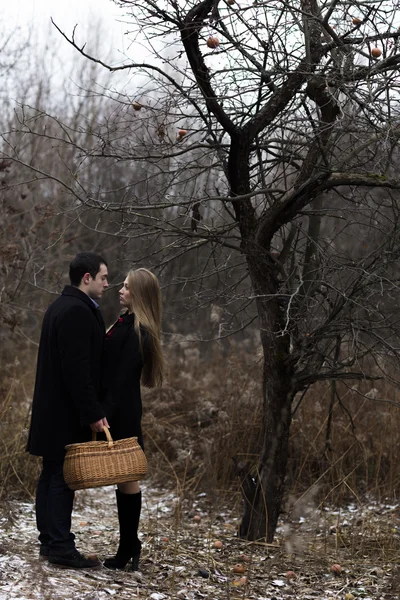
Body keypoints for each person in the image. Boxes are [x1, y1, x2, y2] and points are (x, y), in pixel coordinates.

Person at [27, 252, 110, 569]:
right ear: (86, 278)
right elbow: (77, 369)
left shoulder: (60, 306)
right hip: (65, 413)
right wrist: (93, 411)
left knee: (50, 475)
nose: (106, 283)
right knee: (62, 478)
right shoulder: (76, 310)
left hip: (52, 410)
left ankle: (49, 542)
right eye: (103, 276)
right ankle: (60, 547)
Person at [102, 268, 164, 571]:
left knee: (127, 477)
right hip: (118, 408)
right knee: (124, 479)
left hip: (121, 410)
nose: (120, 290)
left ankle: (128, 545)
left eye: (127, 287)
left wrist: (104, 414)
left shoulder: (138, 330)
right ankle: (129, 544)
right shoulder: (126, 323)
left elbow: (122, 378)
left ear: (139, 294)